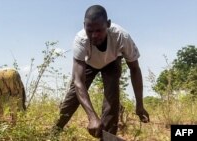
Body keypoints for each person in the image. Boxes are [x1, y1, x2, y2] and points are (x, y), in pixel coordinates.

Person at [54, 5, 150, 138]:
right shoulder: (80, 40)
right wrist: (92, 117)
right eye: (90, 30)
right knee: (72, 98)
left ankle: (108, 138)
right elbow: (78, 81)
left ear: (108, 24)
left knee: (112, 101)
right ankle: (54, 131)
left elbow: (134, 69)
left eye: (99, 30)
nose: (94, 35)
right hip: (88, 63)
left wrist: (139, 105)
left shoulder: (121, 36)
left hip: (112, 62)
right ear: (84, 25)